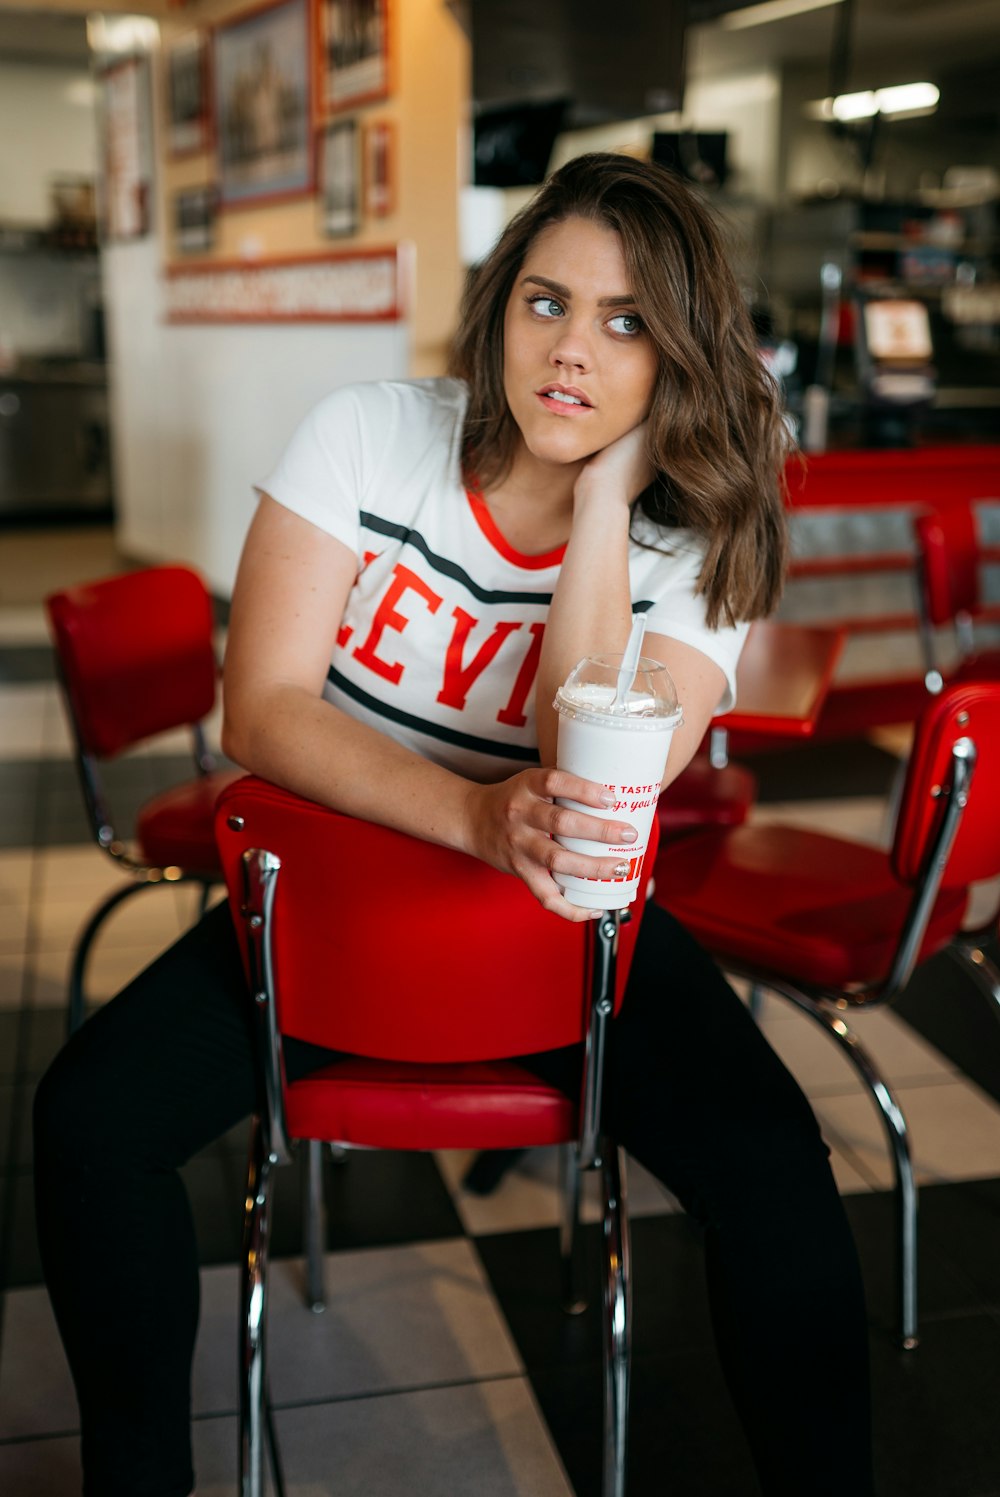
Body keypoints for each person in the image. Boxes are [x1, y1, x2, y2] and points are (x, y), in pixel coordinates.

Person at [33, 152, 875, 1497]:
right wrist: (475, 820)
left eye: (627, 322)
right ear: (496, 311)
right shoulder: (367, 431)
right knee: (86, 1122)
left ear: (680, 353)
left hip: (571, 946)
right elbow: (259, 706)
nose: (573, 353)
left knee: (773, 1167)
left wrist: (603, 503)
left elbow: (591, 770)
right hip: (330, 920)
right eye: (545, 302)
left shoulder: (697, 546)